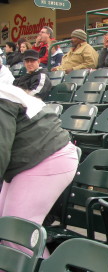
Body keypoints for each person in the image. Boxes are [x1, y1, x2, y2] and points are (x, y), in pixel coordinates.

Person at [0, 84, 79, 258]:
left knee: (17, 233)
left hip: (48, 156)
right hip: (24, 159)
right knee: (4, 227)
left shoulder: (2, 98)